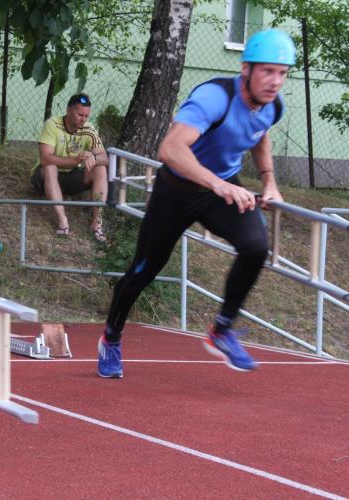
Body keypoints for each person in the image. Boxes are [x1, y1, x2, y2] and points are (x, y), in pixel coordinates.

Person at [97, 29, 295, 378]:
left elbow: (260, 135)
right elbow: (170, 149)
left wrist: (269, 181)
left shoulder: (272, 106)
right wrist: (216, 183)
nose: (275, 81)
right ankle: (111, 337)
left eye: (282, 73)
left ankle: (222, 329)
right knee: (145, 270)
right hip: (177, 189)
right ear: (246, 69)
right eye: (267, 71)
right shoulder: (214, 98)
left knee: (256, 246)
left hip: (221, 188)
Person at [31, 93, 109, 241]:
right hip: (44, 176)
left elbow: (105, 159)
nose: (83, 119)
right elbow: (45, 159)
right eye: (80, 114)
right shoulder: (52, 124)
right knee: (50, 167)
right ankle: (62, 220)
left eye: (86, 116)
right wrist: (74, 160)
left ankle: (97, 224)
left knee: (100, 168)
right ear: (68, 110)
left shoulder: (89, 129)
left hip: (71, 176)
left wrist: (94, 158)